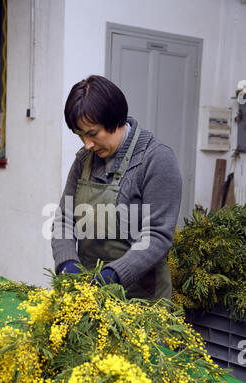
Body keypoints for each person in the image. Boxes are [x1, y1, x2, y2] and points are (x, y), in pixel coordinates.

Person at [51, 75, 182, 300]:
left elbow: (158, 235)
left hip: (140, 299)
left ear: (116, 120)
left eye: (92, 133)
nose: (87, 144)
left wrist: (114, 274)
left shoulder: (156, 159)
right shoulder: (84, 159)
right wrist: (67, 262)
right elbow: (65, 218)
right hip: (89, 292)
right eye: (80, 135)